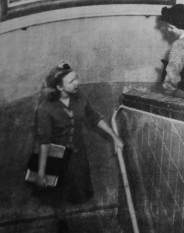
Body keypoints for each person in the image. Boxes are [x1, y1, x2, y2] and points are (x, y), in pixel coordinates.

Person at [33, 61, 123, 233]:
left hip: (77, 154)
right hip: (53, 155)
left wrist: (114, 136)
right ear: (59, 87)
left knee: (76, 189)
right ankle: (61, 221)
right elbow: (43, 142)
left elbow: (94, 117)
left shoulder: (80, 97)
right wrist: (41, 172)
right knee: (56, 192)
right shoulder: (45, 109)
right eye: (72, 81)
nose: (77, 83)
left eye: (77, 78)